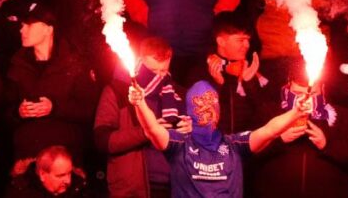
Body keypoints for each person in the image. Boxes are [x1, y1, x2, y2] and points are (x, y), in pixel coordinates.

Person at [128, 78, 314, 198]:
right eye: (200, 103)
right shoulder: (179, 144)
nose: (207, 109)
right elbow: (152, 128)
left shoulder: (234, 144)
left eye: (212, 103)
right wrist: (140, 103)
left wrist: (296, 112)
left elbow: (269, 131)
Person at [251, 59, 348, 198]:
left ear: (322, 88)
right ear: (288, 84)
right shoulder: (268, 111)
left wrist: (327, 145)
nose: (305, 99)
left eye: (313, 94)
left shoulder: (342, 115)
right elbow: (249, 155)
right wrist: (278, 139)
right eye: (297, 94)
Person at [95, 37, 186, 197]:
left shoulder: (177, 93)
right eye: (152, 71)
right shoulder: (117, 91)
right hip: (133, 188)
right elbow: (104, 141)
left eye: (163, 70)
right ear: (139, 62)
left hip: (174, 186)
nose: (159, 76)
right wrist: (147, 132)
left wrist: (192, 129)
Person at [6, 6, 98, 162]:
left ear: (48, 29)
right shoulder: (17, 64)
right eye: (22, 25)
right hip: (28, 155)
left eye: (29, 25)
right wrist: (18, 112)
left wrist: (54, 107)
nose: (22, 30)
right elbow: (3, 110)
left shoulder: (74, 63)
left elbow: (90, 110)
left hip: (65, 155)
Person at [193, 14, 269, 135]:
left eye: (248, 40)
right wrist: (217, 85)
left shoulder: (250, 68)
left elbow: (263, 114)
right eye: (241, 40)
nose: (247, 45)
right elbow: (199, 115)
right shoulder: (201, 71)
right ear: (221, 41)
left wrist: (249, 82)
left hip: (246, 145)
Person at [7, 145, 89, 197]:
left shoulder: (80, 189)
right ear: (42, 175)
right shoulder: (20, 193)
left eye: (69, 174)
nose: (68, 180)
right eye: (60, 175)